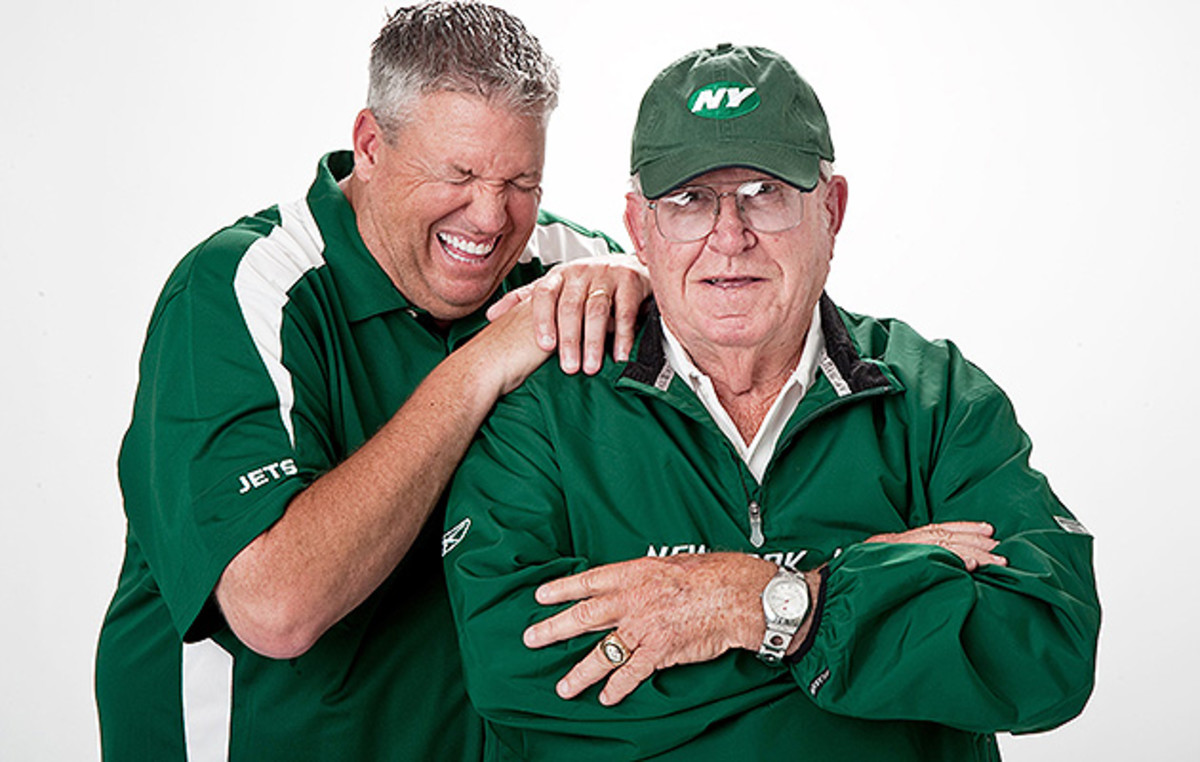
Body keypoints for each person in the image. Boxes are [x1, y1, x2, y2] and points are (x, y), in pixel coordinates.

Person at [443, 43, 1100, 760]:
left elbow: (1047, 655)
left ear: (833, 210)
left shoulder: (935, 398)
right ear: (639, 230)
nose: (730, 236)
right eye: (689, 201)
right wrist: (858, 588)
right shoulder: (548, 409)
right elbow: (516, 677)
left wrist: (762, 602)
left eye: (766, 193)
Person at [95, 3, 649, 759]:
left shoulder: (568, 267)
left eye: (522, 180)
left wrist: (644, 277)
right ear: (370, 146)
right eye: (458, 174)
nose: (490, 218)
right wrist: (480, 366)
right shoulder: (241, 287)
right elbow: (274, 604)